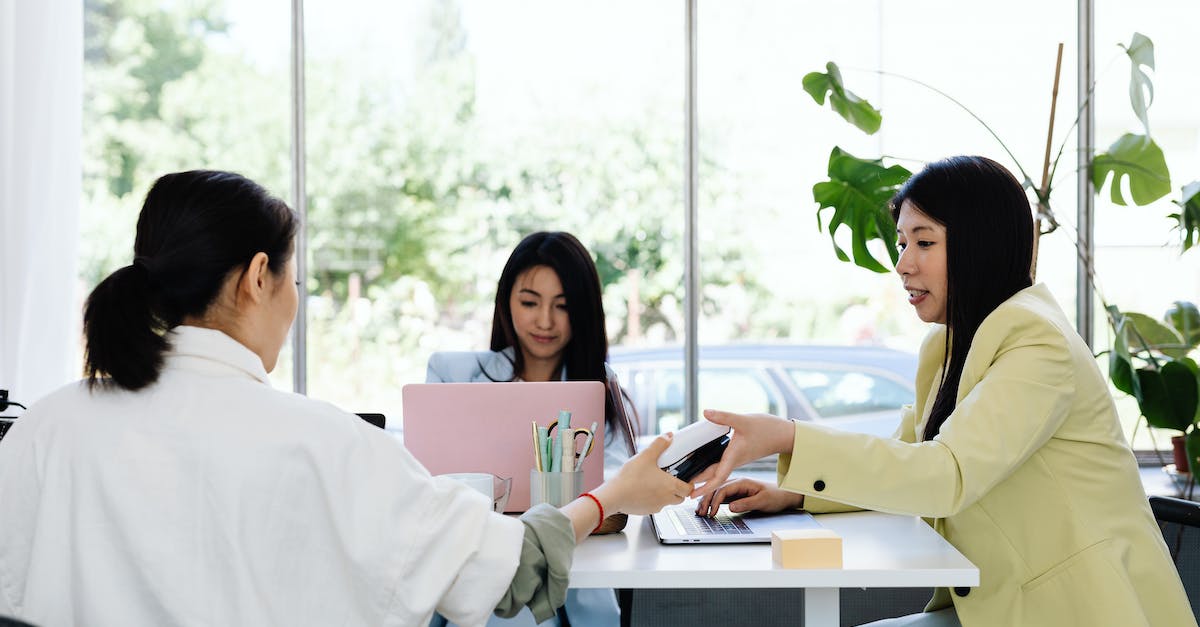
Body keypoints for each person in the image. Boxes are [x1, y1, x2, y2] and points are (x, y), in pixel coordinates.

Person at [0, 171, 691, 627]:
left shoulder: (45, 427)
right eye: (295, 277)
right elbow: (509, 566)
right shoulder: (322, 442)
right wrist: (608, 496)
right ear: (259, 278)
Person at [691, 156, 1195, 627]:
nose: (903, 264)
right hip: (1005, 602)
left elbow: (946, 473)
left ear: (980, 244)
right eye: (902, 243)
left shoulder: (1039, 342)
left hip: (1077, 609)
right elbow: (907, 456)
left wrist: (788, 437)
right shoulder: (951, 342)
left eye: (924, 242)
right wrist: (792, 493)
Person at [426, 231, 632, 627]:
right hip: (476, 564)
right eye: (529, 302)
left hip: (571, 579)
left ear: (584, 312)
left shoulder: (598, 395)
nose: (544, 321)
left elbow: (617, 501)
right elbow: (429, 486)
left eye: (563, 305)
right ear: (506, 302)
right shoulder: (453, 376)